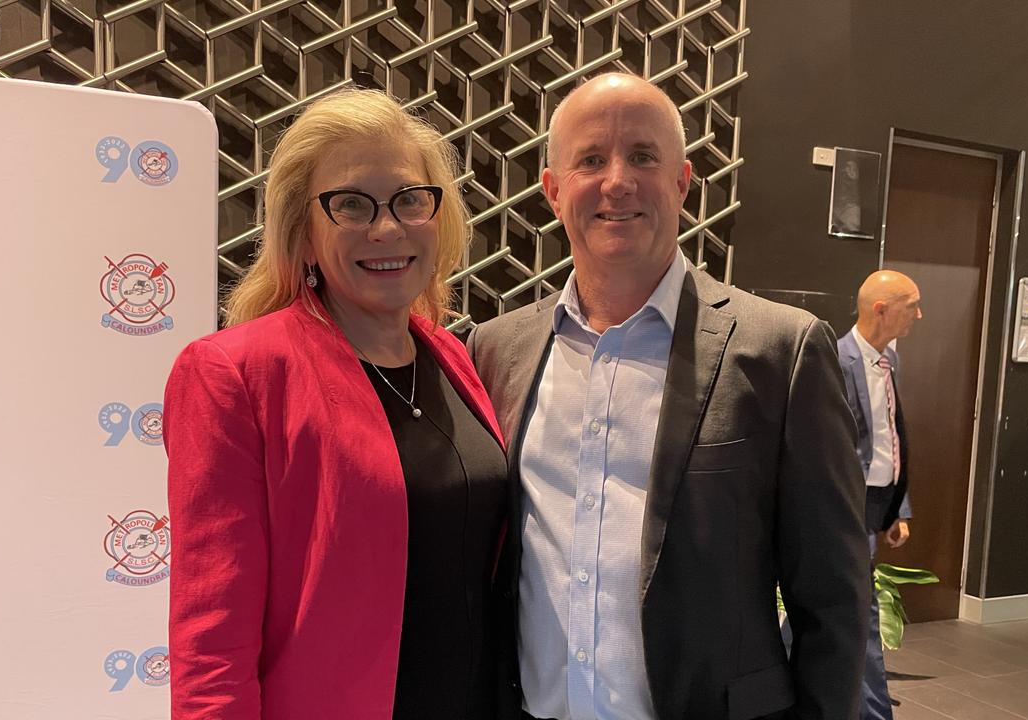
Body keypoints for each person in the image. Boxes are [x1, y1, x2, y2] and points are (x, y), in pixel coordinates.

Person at [466, 72, 869, 720]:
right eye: (591, 159)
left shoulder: (781, 353)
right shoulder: (494, 351)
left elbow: (835, 600)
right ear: (553, 189)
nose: (618, 180)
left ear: (682, 182)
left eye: (643, 157)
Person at [163, 88, 508, 719]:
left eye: (410, 199)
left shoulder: (452, 357)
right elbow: (212, 641)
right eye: (351, 204)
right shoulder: (233, 375)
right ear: (303, 233)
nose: (387, 227)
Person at [837, 270, 922, 720]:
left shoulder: (891, 360)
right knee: (862, 610)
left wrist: (896, 510)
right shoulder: (835, 360)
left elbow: (890, 439)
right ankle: (875, 713)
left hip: (876, 503)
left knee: (843, 606)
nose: (919, 314)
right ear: (881, 309)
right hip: (845, 506)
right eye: (912, 305)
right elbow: (831, 447)